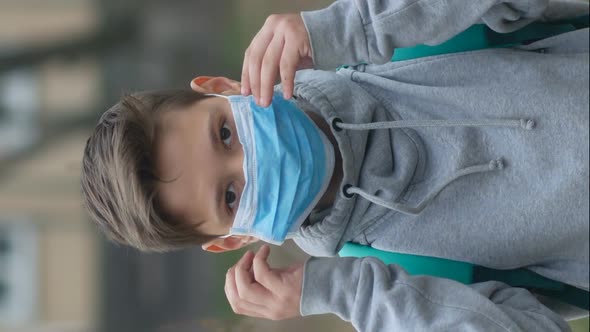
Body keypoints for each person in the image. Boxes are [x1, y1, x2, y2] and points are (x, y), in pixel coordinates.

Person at [80, 0, 589, 330]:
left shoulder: (399, 38)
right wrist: (350, 294)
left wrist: (356, 25)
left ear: (222, 89)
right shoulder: (403, 284)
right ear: (235, 239)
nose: (253, 164)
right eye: (230, 195)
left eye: (225, 133)